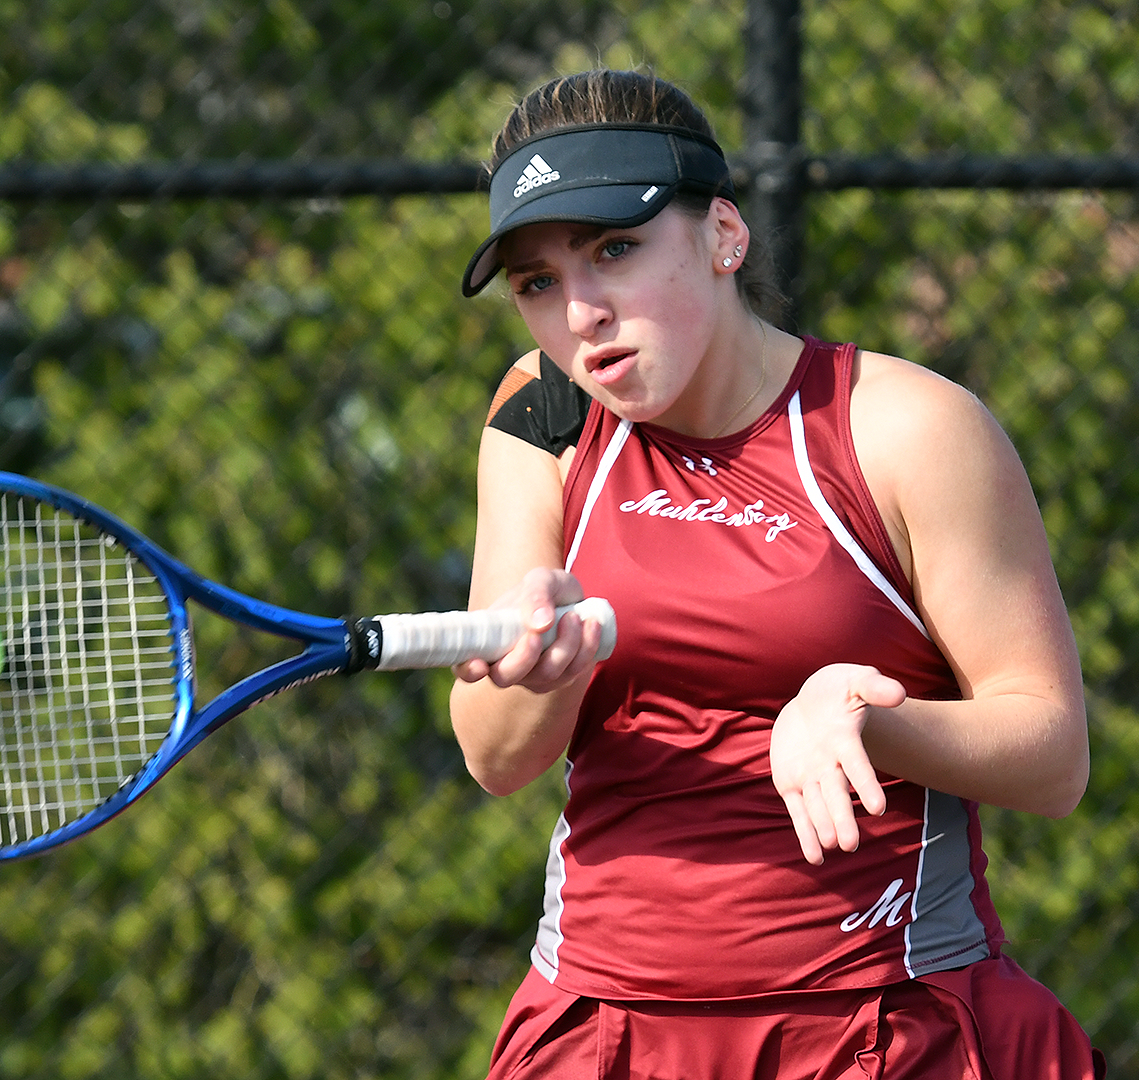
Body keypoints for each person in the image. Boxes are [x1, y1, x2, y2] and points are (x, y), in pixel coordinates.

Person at [449, 68, 1101, 1080]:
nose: (579, 313)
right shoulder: (543, 412)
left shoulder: (903, 428)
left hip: (885, 1028)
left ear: (723, 236)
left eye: (613, 250)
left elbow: (1052, 754)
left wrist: (865, 720)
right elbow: (497, 759)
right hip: (605, 1032)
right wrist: (551, 664)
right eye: (538, 283)